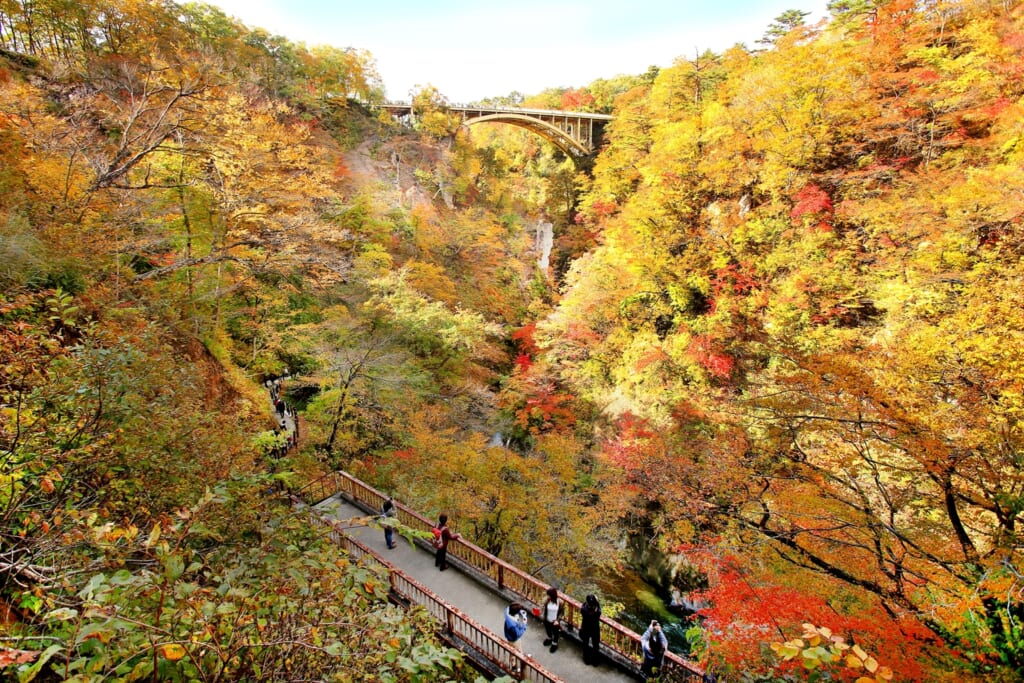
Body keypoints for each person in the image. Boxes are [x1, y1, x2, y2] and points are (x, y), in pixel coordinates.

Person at [580, 593, 602, 665]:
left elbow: (583, 605)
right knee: (595, 645)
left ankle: (586, 659)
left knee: (585, 643)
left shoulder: (584, 610)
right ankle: (595, 661)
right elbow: (599, 607)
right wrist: (597, 601)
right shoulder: (597, 612)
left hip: (585, 628)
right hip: (595, 629)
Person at [541, 586, 564, 653]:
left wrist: (557, 620)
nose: (547, 596)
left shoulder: (560, 602)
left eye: (549, 595)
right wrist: (541, 608)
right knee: (548, 630)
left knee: (556, 633)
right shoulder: (546, 600)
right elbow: (541, 607)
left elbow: (562, 613)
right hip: (547, 619)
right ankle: (549, 638)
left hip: (555, 621)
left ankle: (554, 644)